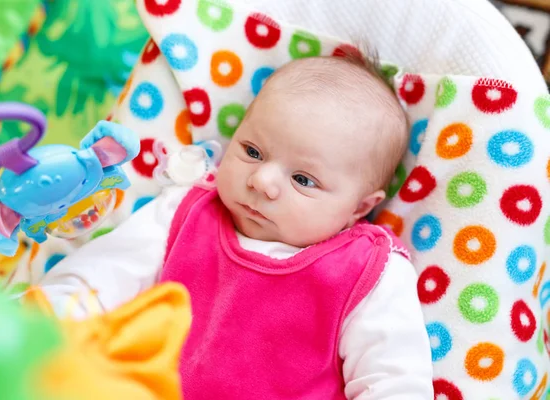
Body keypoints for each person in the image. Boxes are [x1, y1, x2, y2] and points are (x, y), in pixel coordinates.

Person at [34, 52, 433, 399]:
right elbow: (96, 282)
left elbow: (394, 382)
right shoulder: (184, 213)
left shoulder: (369, 271)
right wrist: (42, 327)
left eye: (303, 180)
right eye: (253, 151)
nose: (262, 181)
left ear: (359, 208)